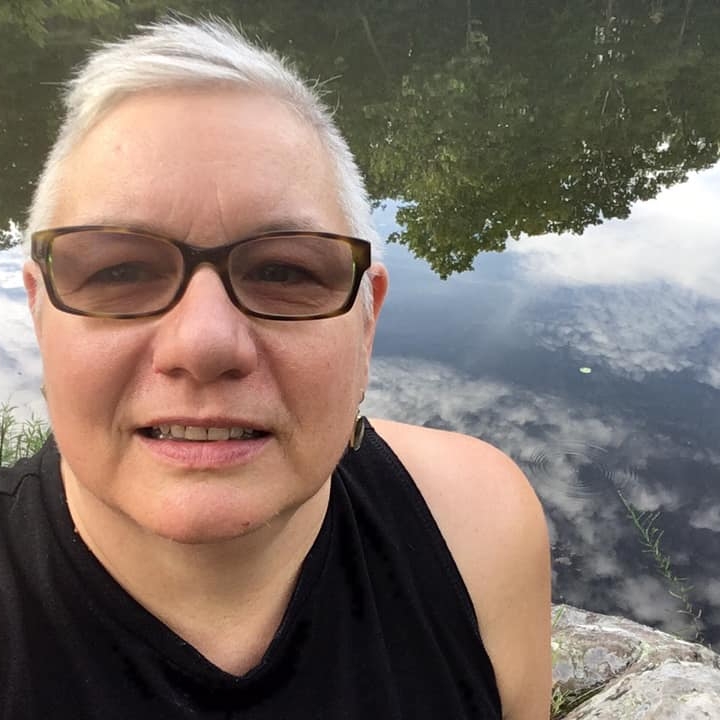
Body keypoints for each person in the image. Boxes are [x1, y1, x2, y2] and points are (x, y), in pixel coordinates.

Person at [0, 18, 551, 719]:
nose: (203, 343)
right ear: (40, 312)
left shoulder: (474, 528)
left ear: (366, 324)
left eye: (284, 271)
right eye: (121, 271)